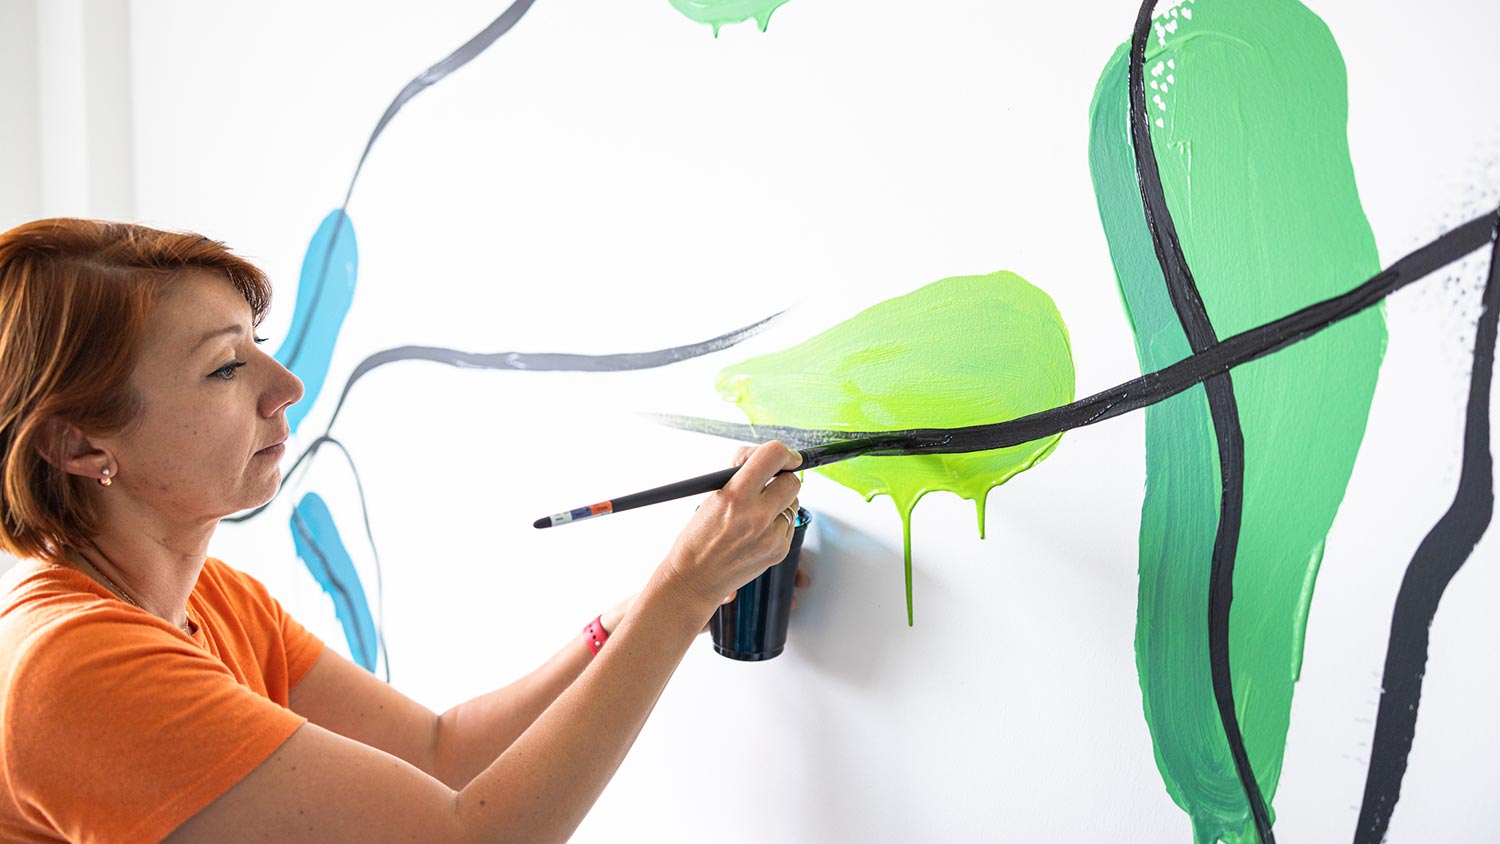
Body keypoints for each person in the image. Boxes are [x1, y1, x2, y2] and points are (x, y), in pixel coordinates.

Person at [0, 218, 808, 843]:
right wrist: (681, 591)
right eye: (223, 367)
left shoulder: (211, 597)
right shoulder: (74, 667)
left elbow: (438, 751)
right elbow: (467, 835)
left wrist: (636, 615)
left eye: (260, 347)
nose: (286, 385)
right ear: (79, 445)